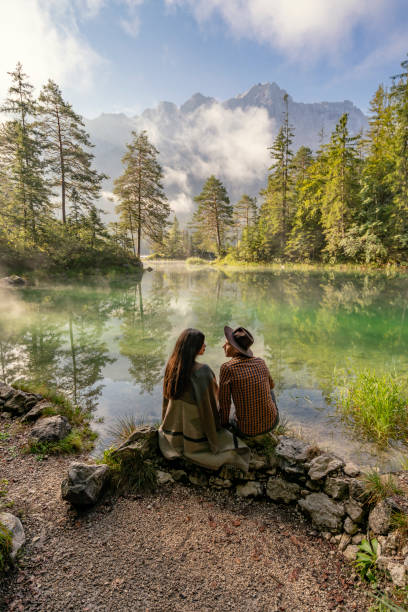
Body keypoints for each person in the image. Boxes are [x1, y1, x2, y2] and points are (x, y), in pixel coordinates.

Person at [158, 328, 250, 471]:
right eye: (202, 343)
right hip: (194, 433)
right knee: (233, 441)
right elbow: (212, 402)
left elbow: (166, 402)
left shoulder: (172, 365)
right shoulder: (203, 371)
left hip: (173, 428)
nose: (205, 345)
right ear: (194, 347)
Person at [219, 326, 279, 438]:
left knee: (230, 409)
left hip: (246, 431)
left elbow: (224, 402)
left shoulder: (227, 368)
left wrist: (224, 425)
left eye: (227, 344)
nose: (223, 346)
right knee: (270, 390)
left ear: (236, 348)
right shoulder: (260, 362)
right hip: (273, 423)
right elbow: (272, 386)